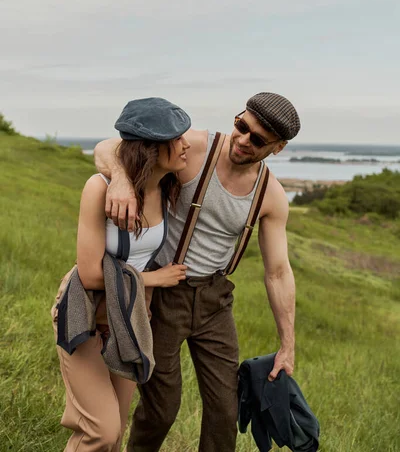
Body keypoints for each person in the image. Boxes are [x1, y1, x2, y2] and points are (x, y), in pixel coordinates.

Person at [94, 91, 301, 452]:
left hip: (215, 301)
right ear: (238, 116)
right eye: (241, 126)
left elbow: (278, 272)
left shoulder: (271, 195)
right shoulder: (193, 148)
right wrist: (122, 179)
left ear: (277, 148)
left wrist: (287, 344)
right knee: (162, 408)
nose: (242, 140)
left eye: (257, 140)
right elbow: (109, 147)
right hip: (164, 292)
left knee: (225, 410)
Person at [51, 97, 191, 452]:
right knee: (102, 430)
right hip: (85, 313)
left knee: (116, 430)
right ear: (150, 148)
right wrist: (153, 279)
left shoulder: (166, 187)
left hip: (129, 320)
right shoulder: (98, 188)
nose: (186, 144)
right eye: (176, 139)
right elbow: (90, 274)